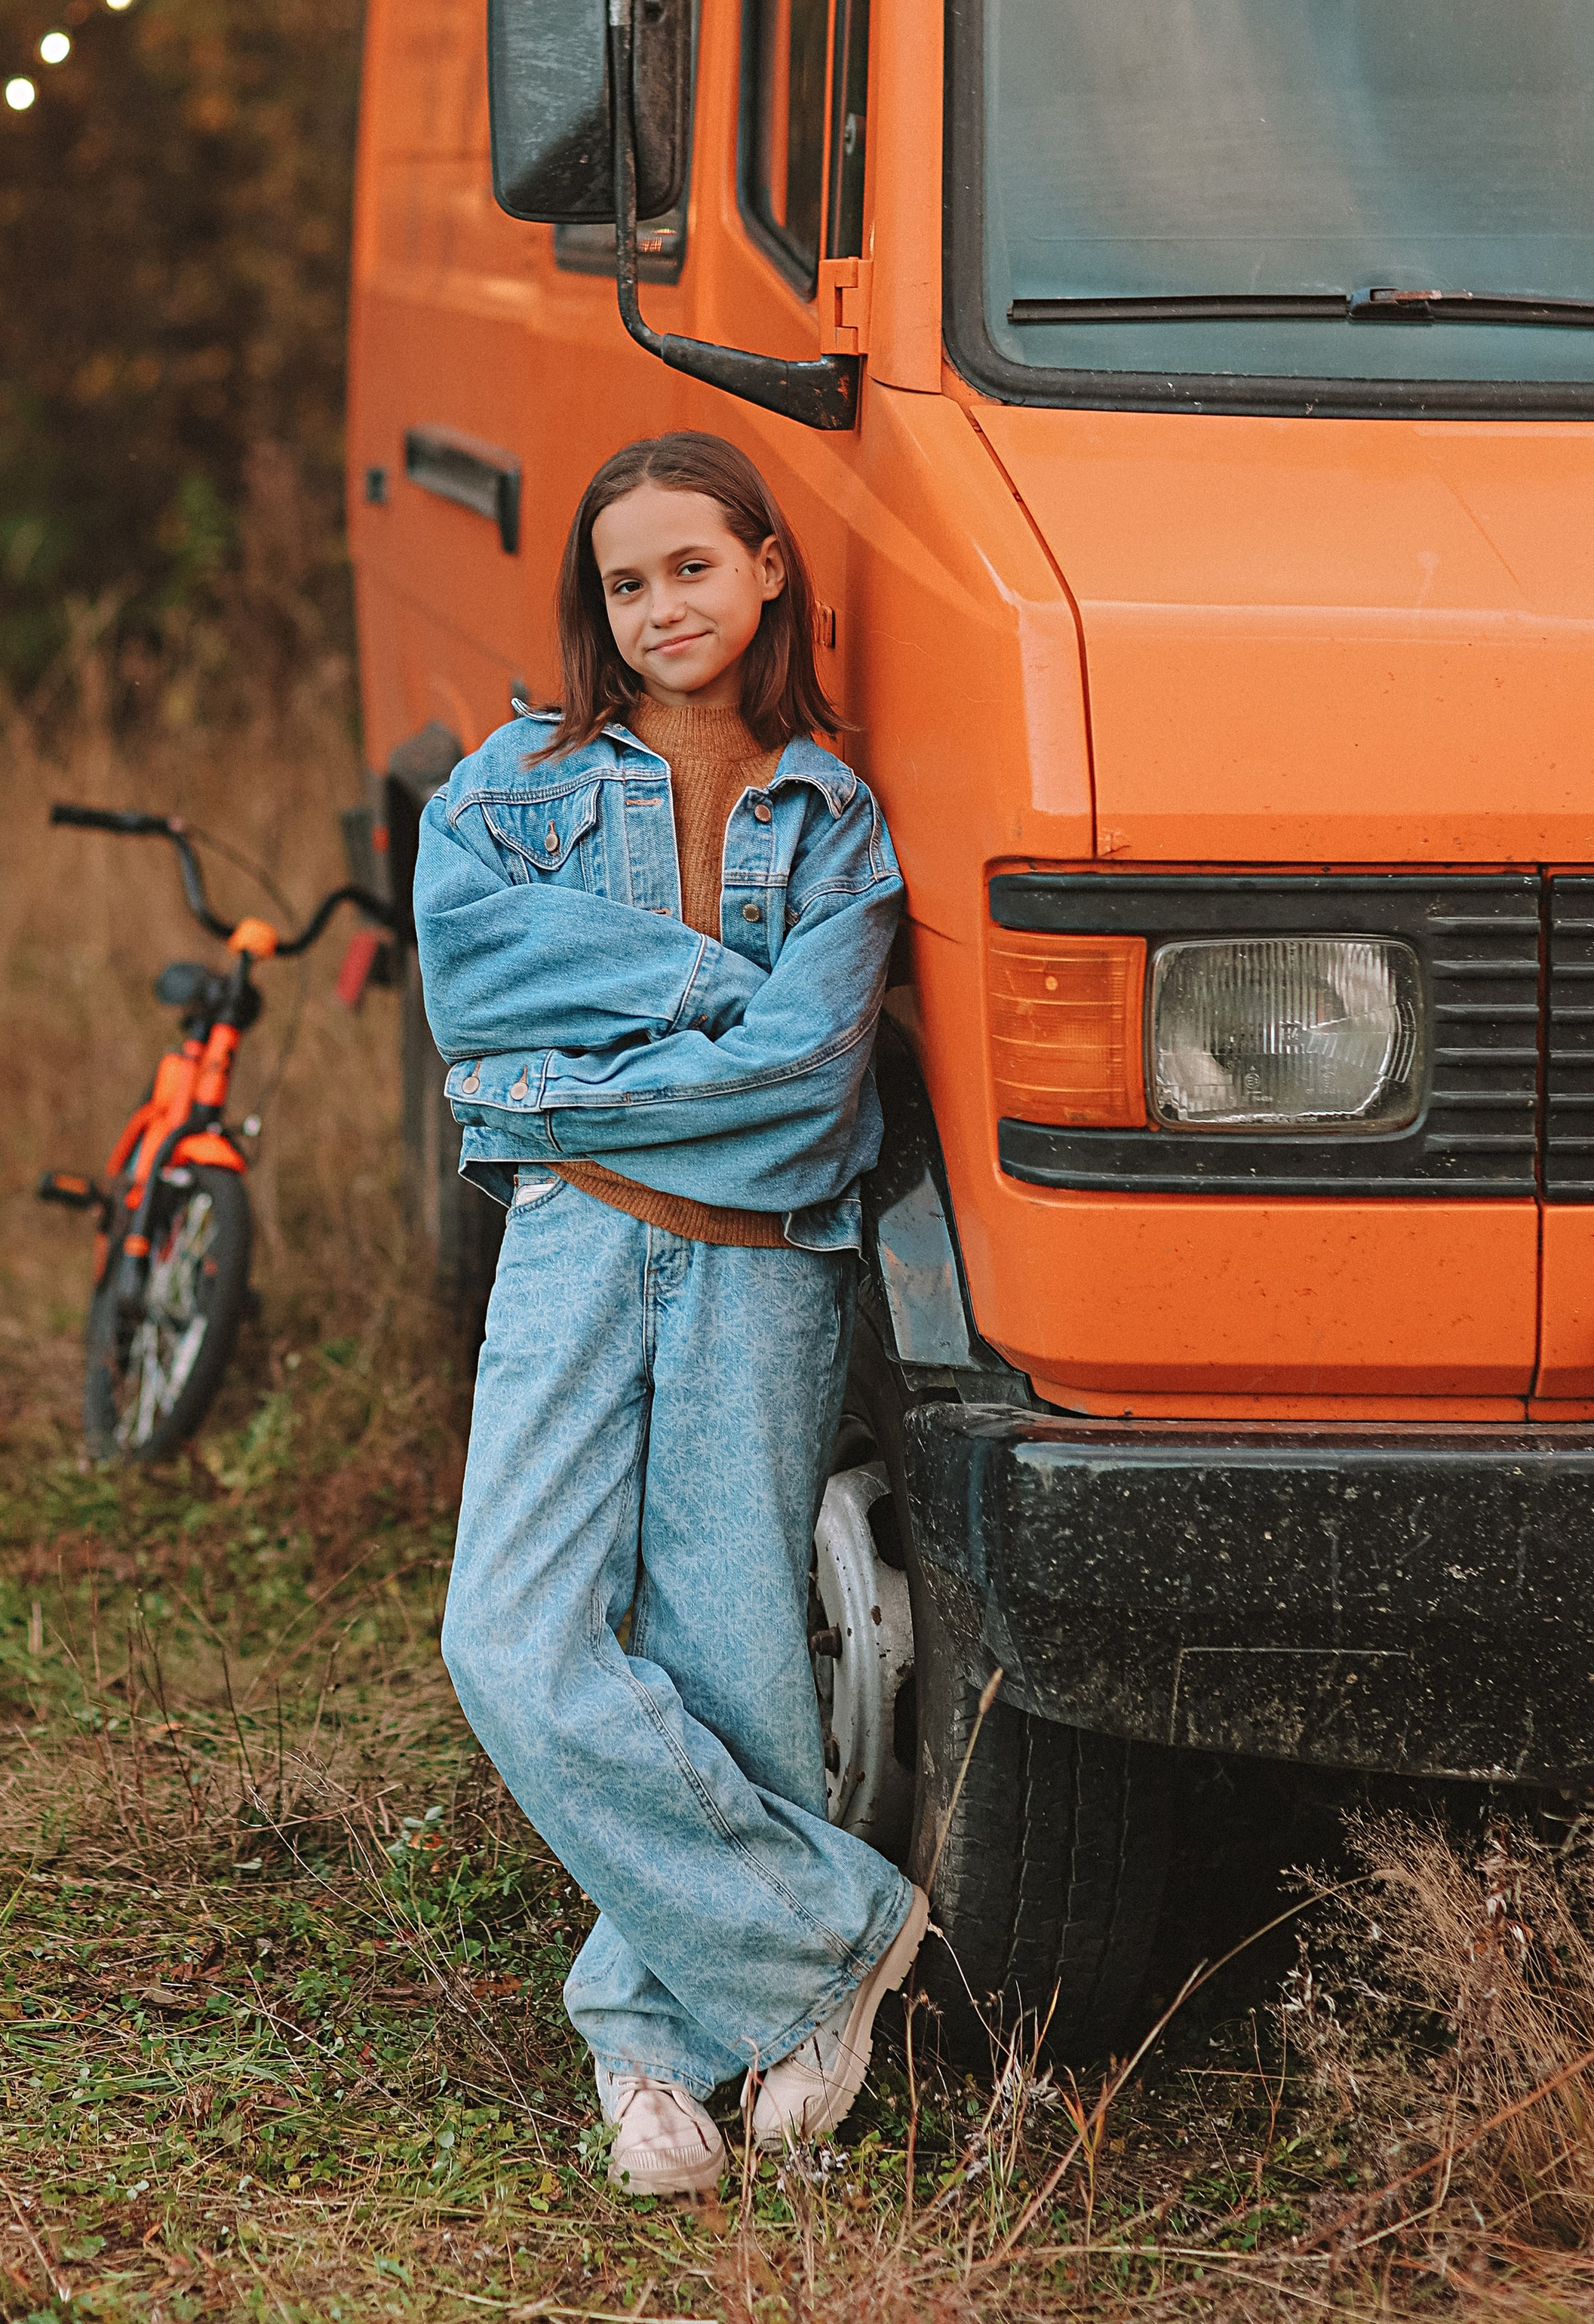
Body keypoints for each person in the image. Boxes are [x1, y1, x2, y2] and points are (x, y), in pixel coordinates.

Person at [413, 430, 923, 2200]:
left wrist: (557, 1092)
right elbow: (470, 983)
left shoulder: (834, 818)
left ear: (766, 567)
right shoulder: (514, 790)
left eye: (690, 568)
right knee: (509, 1636)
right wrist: (716, 990)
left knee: (726, 1658)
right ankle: (828, 1938)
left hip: (763, 1264)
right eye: (624, 583)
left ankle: (651, 2051)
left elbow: (800, 1096)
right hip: (573, 1247)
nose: (659, 609)